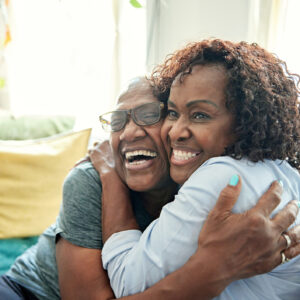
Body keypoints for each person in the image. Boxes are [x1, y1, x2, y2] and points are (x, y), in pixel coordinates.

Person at [0, 78, 299, 300]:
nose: (129, 131)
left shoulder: (203, 181)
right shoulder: (89, 180)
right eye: (118, 121)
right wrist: (217, 269)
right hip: (25, 292)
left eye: (148, 115)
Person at [95, 40, 300, 299]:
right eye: (172, 112)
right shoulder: (284, 172)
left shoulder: (222, 179)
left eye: (200, 115)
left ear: (244, 123)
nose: (176, 132)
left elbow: (128, 282)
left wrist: (109, 174)